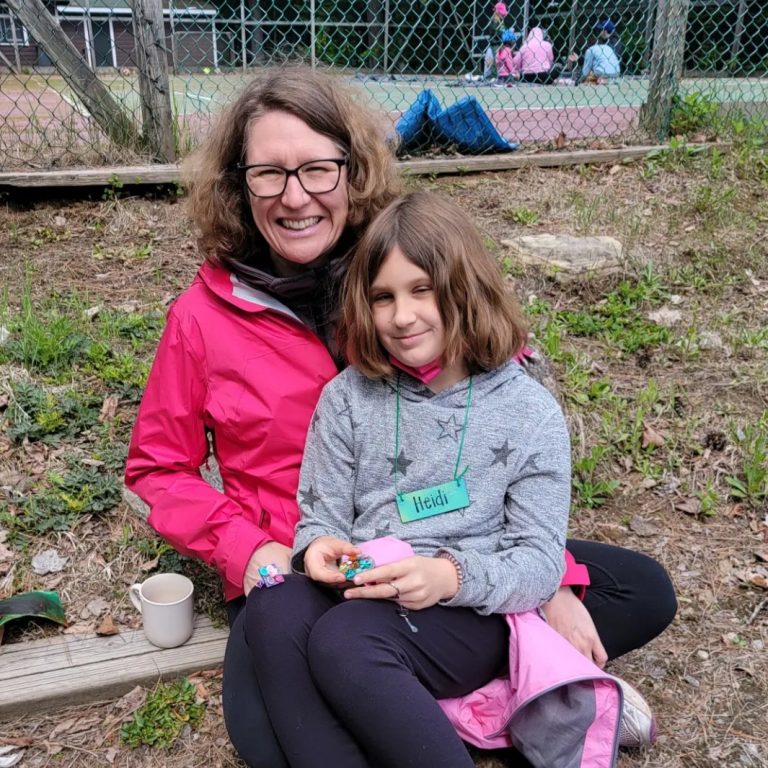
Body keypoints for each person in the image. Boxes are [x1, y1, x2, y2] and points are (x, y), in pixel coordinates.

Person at [124, 68, 676, 768]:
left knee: (638, 588)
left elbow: (499, 414)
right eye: (269, 174)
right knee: (268, 740)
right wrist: (249, 549)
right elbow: (156, 469)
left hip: (442, 553)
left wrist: (553, 583)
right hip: (303, 567)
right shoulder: (201, 319)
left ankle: (489, 679)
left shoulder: (402, 264)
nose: (295, 196)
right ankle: (490, 692)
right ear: (240, 184)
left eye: (317, 169)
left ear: (352, 170)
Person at [244, 189, 578, 766]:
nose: (402, 316)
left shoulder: (528, 412)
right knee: (273, 607)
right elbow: (321, 518)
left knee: (346, 640)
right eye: (383, 297)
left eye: (422, 290)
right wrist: (318, 547)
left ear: (466, 289)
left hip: (466, 605)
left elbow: (540, 563)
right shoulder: (347, 399)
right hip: (366, 588)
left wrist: (448, 577)